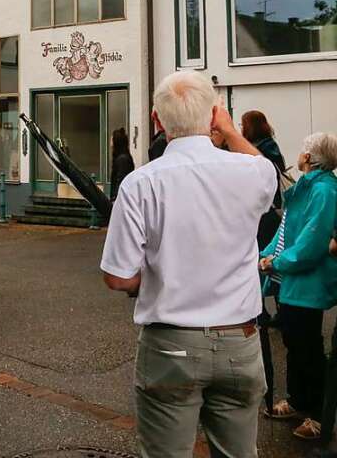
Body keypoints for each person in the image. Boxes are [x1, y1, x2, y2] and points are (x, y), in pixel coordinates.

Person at [101, 71, 278, 457]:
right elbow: (267, 172)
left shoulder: (140, 184)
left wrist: (144, 279)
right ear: (215, 115)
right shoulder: (251, 173)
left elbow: (117, 277)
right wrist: (231, 133)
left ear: (156, 120)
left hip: (170, 343)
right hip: (240, 341)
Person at [260, 132, 337, 441]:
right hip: (292, 280)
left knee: (308, 347)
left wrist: (276, 262)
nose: (300, 153)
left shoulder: (324, 191)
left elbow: (311, 242)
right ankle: (298, 400)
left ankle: (319, 414)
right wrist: (266, 254)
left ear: (310, 158)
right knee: (294, 341)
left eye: (304, 149)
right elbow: (285, 230)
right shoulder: (307, 187)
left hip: (307, 281)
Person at [242, 110, 287, 250]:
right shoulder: (270, 145)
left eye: (242, 125)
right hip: (266, 208)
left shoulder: (261, 149)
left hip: (266, 209)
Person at [109, 127, 135, 202]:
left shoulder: (122, 160)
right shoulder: (122, 158)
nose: (111, 144)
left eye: (112, 140)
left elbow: (120, 180)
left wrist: (115, 199)